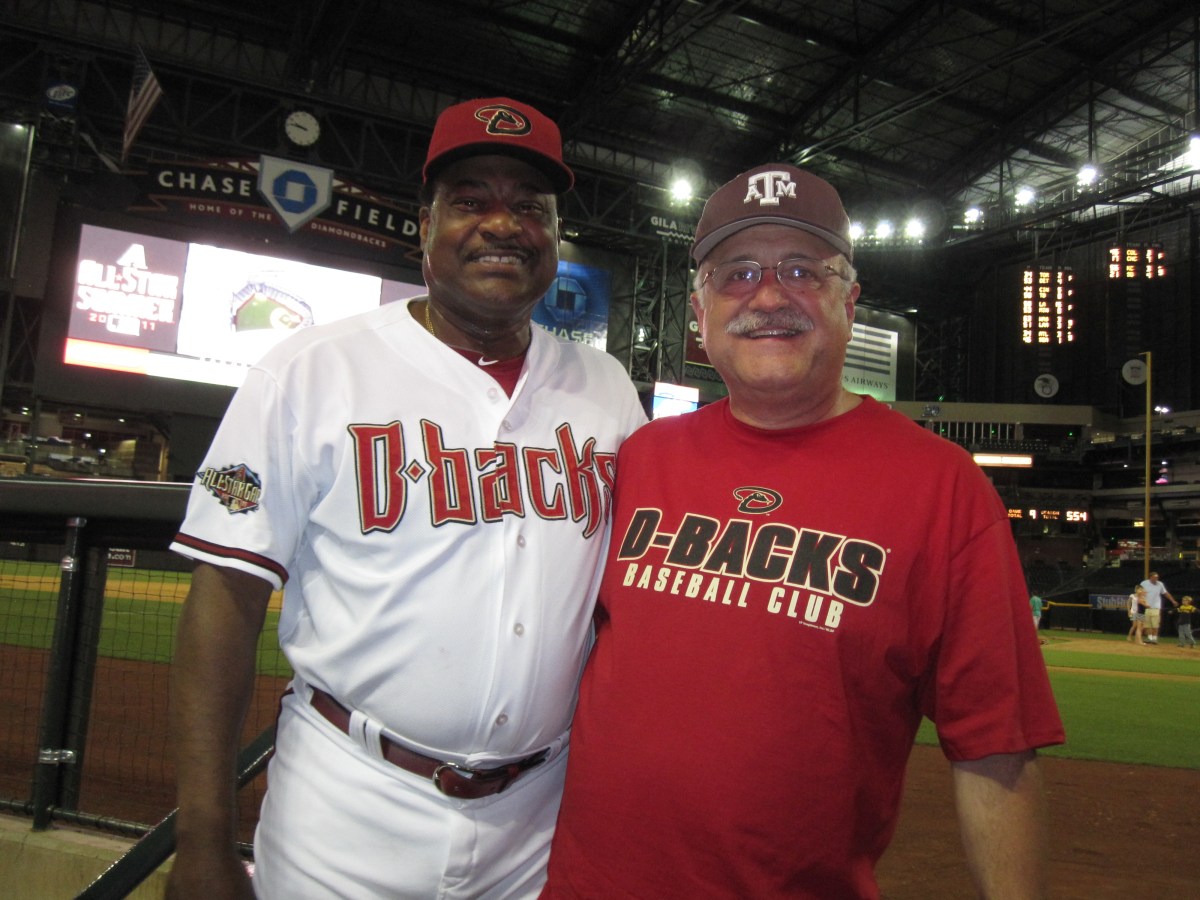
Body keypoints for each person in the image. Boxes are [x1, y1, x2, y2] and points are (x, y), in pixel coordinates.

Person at [166, 97, 646, 900]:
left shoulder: (606, 387)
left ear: (556, 241)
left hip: (541, 815)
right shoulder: (310, 370)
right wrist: (203, 838)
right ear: (423, 227)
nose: (503, 224)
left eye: (530, 207)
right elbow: (225, 595)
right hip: (351, 801)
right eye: (470, 201)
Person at [541, 163, 1065, 899]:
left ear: (848, 300)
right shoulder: (639, 457)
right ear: (699, 312)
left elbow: (996, 749)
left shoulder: (944, 487)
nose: (769, 295)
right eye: (738, 273)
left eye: (801, 270)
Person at [1139, 571, 1179, 645]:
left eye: (1157, 577)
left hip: (1156, 607)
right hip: (1147, 606)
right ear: (1150, 577)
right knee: (1148, 624)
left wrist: (1173, 601)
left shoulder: (1160, 584)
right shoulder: (1144, 583)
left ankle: (1154, 638)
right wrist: (1142, 601)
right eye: (1154, 577)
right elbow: (1139, 593)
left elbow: (1165, 593)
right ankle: (1149, 638)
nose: (1156, 579)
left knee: (1155, 624)